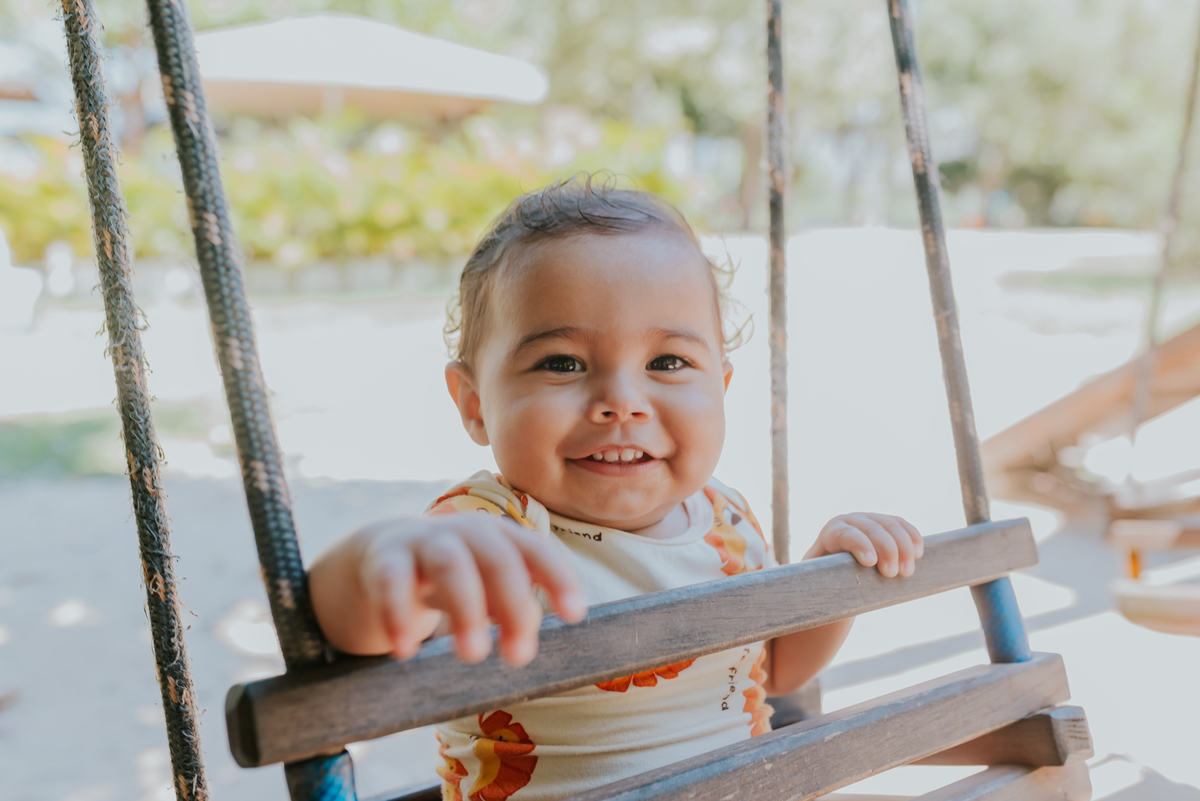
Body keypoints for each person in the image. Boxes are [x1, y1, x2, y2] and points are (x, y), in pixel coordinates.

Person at [308, 174, 923, 801]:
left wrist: (830, 581)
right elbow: (356, 628)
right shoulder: (491, 530)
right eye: (562, 363)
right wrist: (379, 562)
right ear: (474, 404)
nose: (622, 401)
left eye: (667, 362)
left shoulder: (727, 521)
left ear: (721, 388)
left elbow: (775, 672)